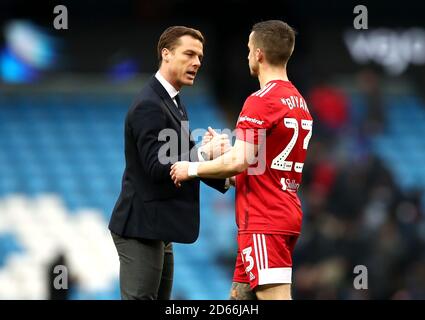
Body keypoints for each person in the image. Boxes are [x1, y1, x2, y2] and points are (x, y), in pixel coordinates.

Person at [171, 20, 313, 300]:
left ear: (259, 54)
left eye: (248, 49)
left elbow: (239, 162)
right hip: (278, 213)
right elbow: (255, 171)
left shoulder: (261, 100)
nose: (247, 55)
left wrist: (192, 168)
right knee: (239, 299)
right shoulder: (299, 102)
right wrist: (224, 155)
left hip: (265, 220)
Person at [108, 26, 230, 300]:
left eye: (199, 56)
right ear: (166, 54)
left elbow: (183, 162)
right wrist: (203, 153)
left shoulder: (173, 102)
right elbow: (156, 166)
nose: (197, 62)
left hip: (158, 228)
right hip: (140, 227)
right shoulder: (149, 105)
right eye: (189, 54)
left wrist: (226, 175)